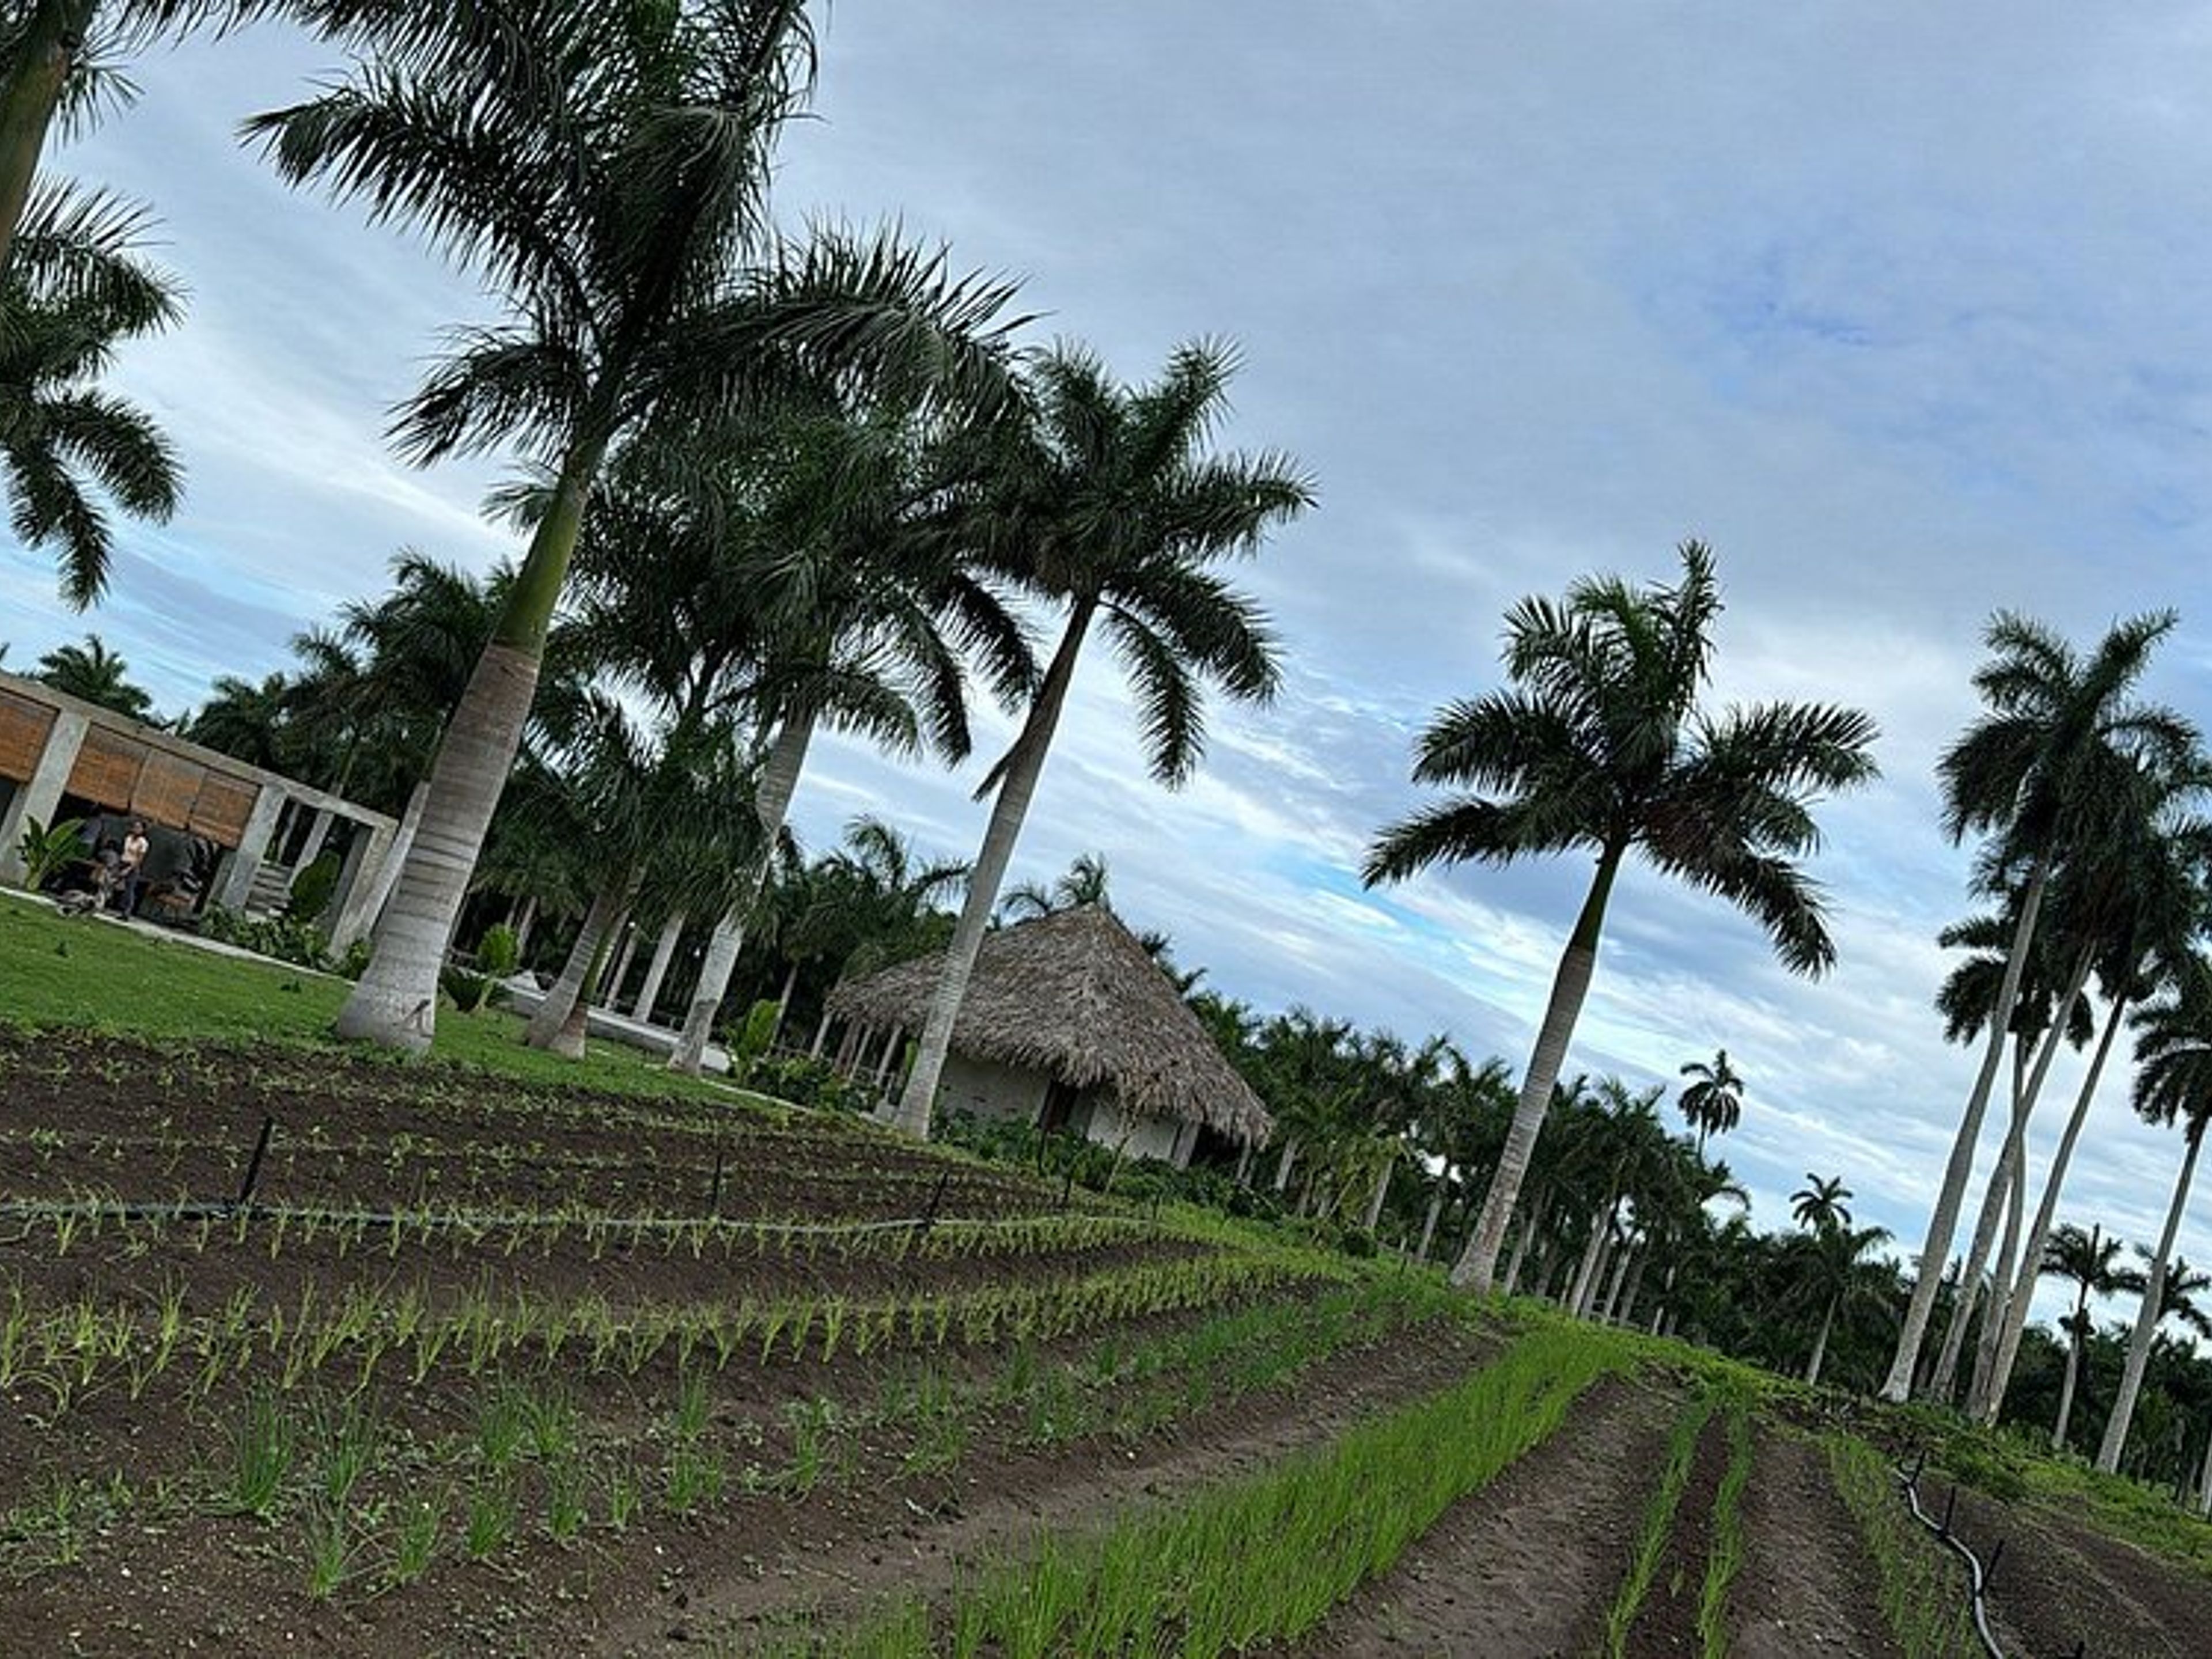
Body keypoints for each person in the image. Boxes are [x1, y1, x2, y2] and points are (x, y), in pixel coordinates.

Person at [118, 819, 150, 917]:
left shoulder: (143, 843)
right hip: (123, 862)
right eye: (135, 827)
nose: (135, 829)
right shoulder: (128, 838)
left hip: (133, 866)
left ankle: (126, 913)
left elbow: (139, 859)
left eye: (138, 828)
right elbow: (124, 851)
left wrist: (129, 869)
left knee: (129, 889)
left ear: (143, 830)